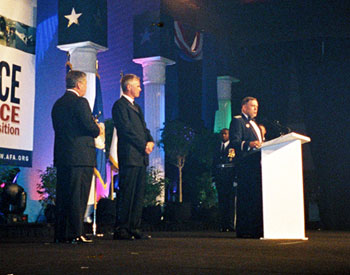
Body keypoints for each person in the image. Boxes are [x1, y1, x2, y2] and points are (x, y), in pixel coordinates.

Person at [51, 70, 102, 244]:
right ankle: (75, 233)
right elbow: (90, 128)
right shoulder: (81, 102)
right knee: (78, 197)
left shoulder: (58, 104)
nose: (86, 87)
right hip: (80, 158)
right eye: (86, 84)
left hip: (64, 156)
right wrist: (97, 128)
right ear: (79, 85)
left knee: (64, 195)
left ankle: (61, 233)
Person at [112, 74, 154, 240]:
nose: (140, 89)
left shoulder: (137, 107)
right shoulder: (119, 106)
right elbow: (126, 130)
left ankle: (134, 227)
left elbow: (143, 128)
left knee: (138, 194)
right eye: (137, 85)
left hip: (140, 157)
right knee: (127, 193)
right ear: (128, 87)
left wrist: (150, 140)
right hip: (129, 156)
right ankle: (122, 228)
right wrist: (143, 144)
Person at [229, 96, 264, 238]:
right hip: (246, 165)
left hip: (257, 165)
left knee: (255, 198)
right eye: (252, 106)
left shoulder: (256, 124)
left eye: (257, 106)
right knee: (246, 197)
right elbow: (235, 142)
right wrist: (249, 144)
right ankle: (245, 230)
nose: (255, 109)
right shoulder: (238, 121)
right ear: (244, 107)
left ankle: (256, 229)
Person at [212, 128, 236, 232]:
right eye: (222, 134)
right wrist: (213, 177)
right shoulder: (217, 146)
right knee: (222, 201)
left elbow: (235, 163)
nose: (223, 136)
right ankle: (223, 224)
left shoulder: (233, 147)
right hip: (220, 176)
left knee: (230, 202)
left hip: (229, 176)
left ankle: (230, 225)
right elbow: (214, 163)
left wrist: (236, 178)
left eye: (225, 134)